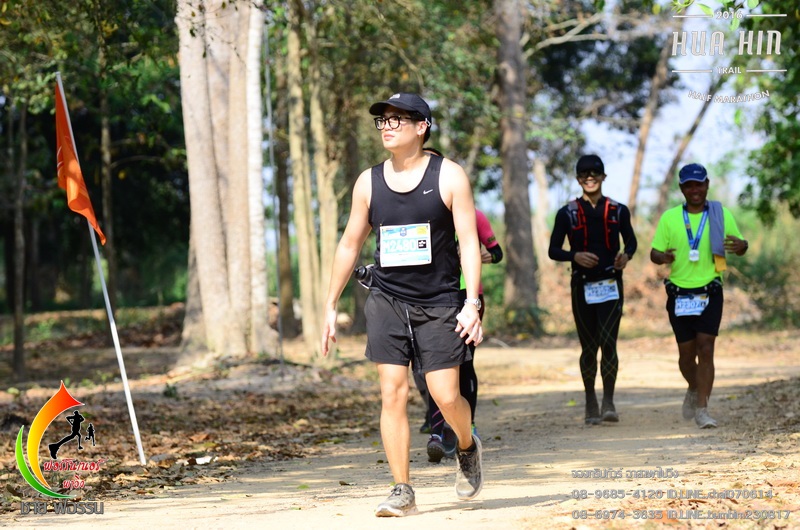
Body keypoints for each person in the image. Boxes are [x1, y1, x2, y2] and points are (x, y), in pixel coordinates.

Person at [322, 93, 485, 517]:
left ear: (422, 126)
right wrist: (330, 304)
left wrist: (471, 302)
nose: (388, 126)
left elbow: (469, 242)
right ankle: (402, 489)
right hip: (387, 300)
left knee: (445, 396)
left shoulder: (450, 176)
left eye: (398, 119)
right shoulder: (368, 182)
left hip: (440, 302)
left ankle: (466, 445)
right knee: (392, 393)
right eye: (383, 120)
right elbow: (349, 244)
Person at [650, 163, 748, 429]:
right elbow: (654, 253)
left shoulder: (719, 214)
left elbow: (739, 245)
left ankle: (702, 409)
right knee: (686, 355)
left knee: (706, 348)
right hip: (679, 293)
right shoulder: (670, 218)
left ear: (707, 185)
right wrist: (663, 256)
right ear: (682, 188)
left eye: (699, 184)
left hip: (710, 289)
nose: (695, 189)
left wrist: (743, 245)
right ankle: (693, 386)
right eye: (689, 185)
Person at [548, 154, 637, 425]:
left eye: (595, 173)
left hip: (611, 284)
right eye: (584, 174)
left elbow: (631, 242)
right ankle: (590, 401)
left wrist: (625, 256)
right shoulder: (567, 213)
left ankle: (608, 401)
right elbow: (553, 250)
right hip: (582, 285)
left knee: (608, 342)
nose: (590, 178)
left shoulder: (618, 210)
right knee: (589, 346)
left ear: (603, 177)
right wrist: (574, 256)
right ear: (578, 179)